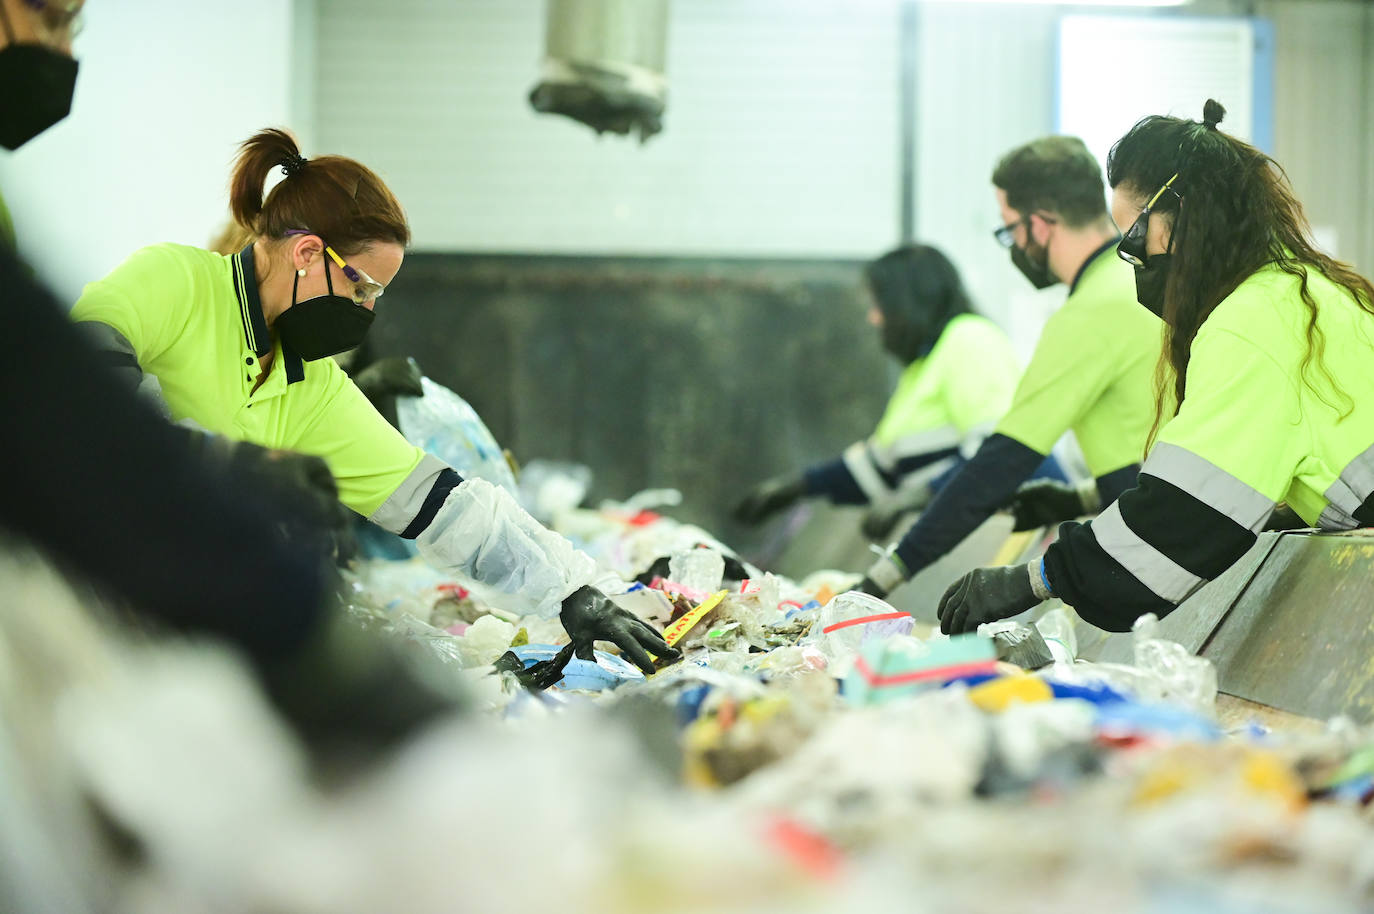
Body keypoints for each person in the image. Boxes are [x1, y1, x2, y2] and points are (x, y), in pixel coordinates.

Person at [71, 128, 676, 674]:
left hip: (174, 628)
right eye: (360, 287)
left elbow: (442, 504)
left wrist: (573, 590)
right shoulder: (174, 282)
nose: (367, 310)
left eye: (377, 295)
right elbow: (78, 407)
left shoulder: (308, 384)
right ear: (307, 253)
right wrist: (242, 471)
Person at [935, 99, 1374, 635]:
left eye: (1137, 236)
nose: (1135, 259)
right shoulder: (1313, 290)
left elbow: (1183, 514)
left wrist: (1034, 579)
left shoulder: (1252, 321)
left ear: (1188, 214)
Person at [859, 136, 1161, 599]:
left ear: (1039, 225)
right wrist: (1084, 496)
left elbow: (1000, 464)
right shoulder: (1141, 281)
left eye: (1010, 230)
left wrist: (885, 575)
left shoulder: (1090, 312)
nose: (1014, 246)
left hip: (1157, 539)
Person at [734, 243, 1064, 541]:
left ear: (907, 302)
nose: (874, 318)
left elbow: (1000, 449)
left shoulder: (970, 339)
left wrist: (920, 494)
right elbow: (877, 467)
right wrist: (797, 486)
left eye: (879, 304)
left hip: (1033, 537)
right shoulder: (923, 366)